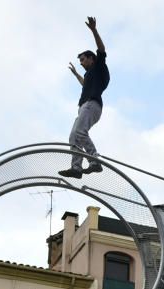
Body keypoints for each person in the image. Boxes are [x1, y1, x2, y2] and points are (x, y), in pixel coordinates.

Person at [59, 16, 110, 179]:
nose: (81, 63)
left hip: (92, 105)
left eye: (83, 60)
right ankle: (76, 168)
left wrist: (94, 30)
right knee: (74, 136)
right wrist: (75, 74)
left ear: (91, 58)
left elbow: (101, 49)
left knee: (80, 132)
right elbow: (84, 84)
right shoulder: (89, 76)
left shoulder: (99, 67)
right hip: (84, 107)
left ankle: (95, 161)